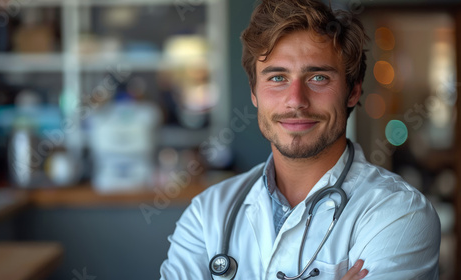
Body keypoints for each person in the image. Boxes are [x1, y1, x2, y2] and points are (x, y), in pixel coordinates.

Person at [160, 0, 440, 279]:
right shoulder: (207, 214)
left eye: (318, 77)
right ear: (254, 93)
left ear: (353, 92)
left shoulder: (400, 215)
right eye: (278, 78)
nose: (296, 101)